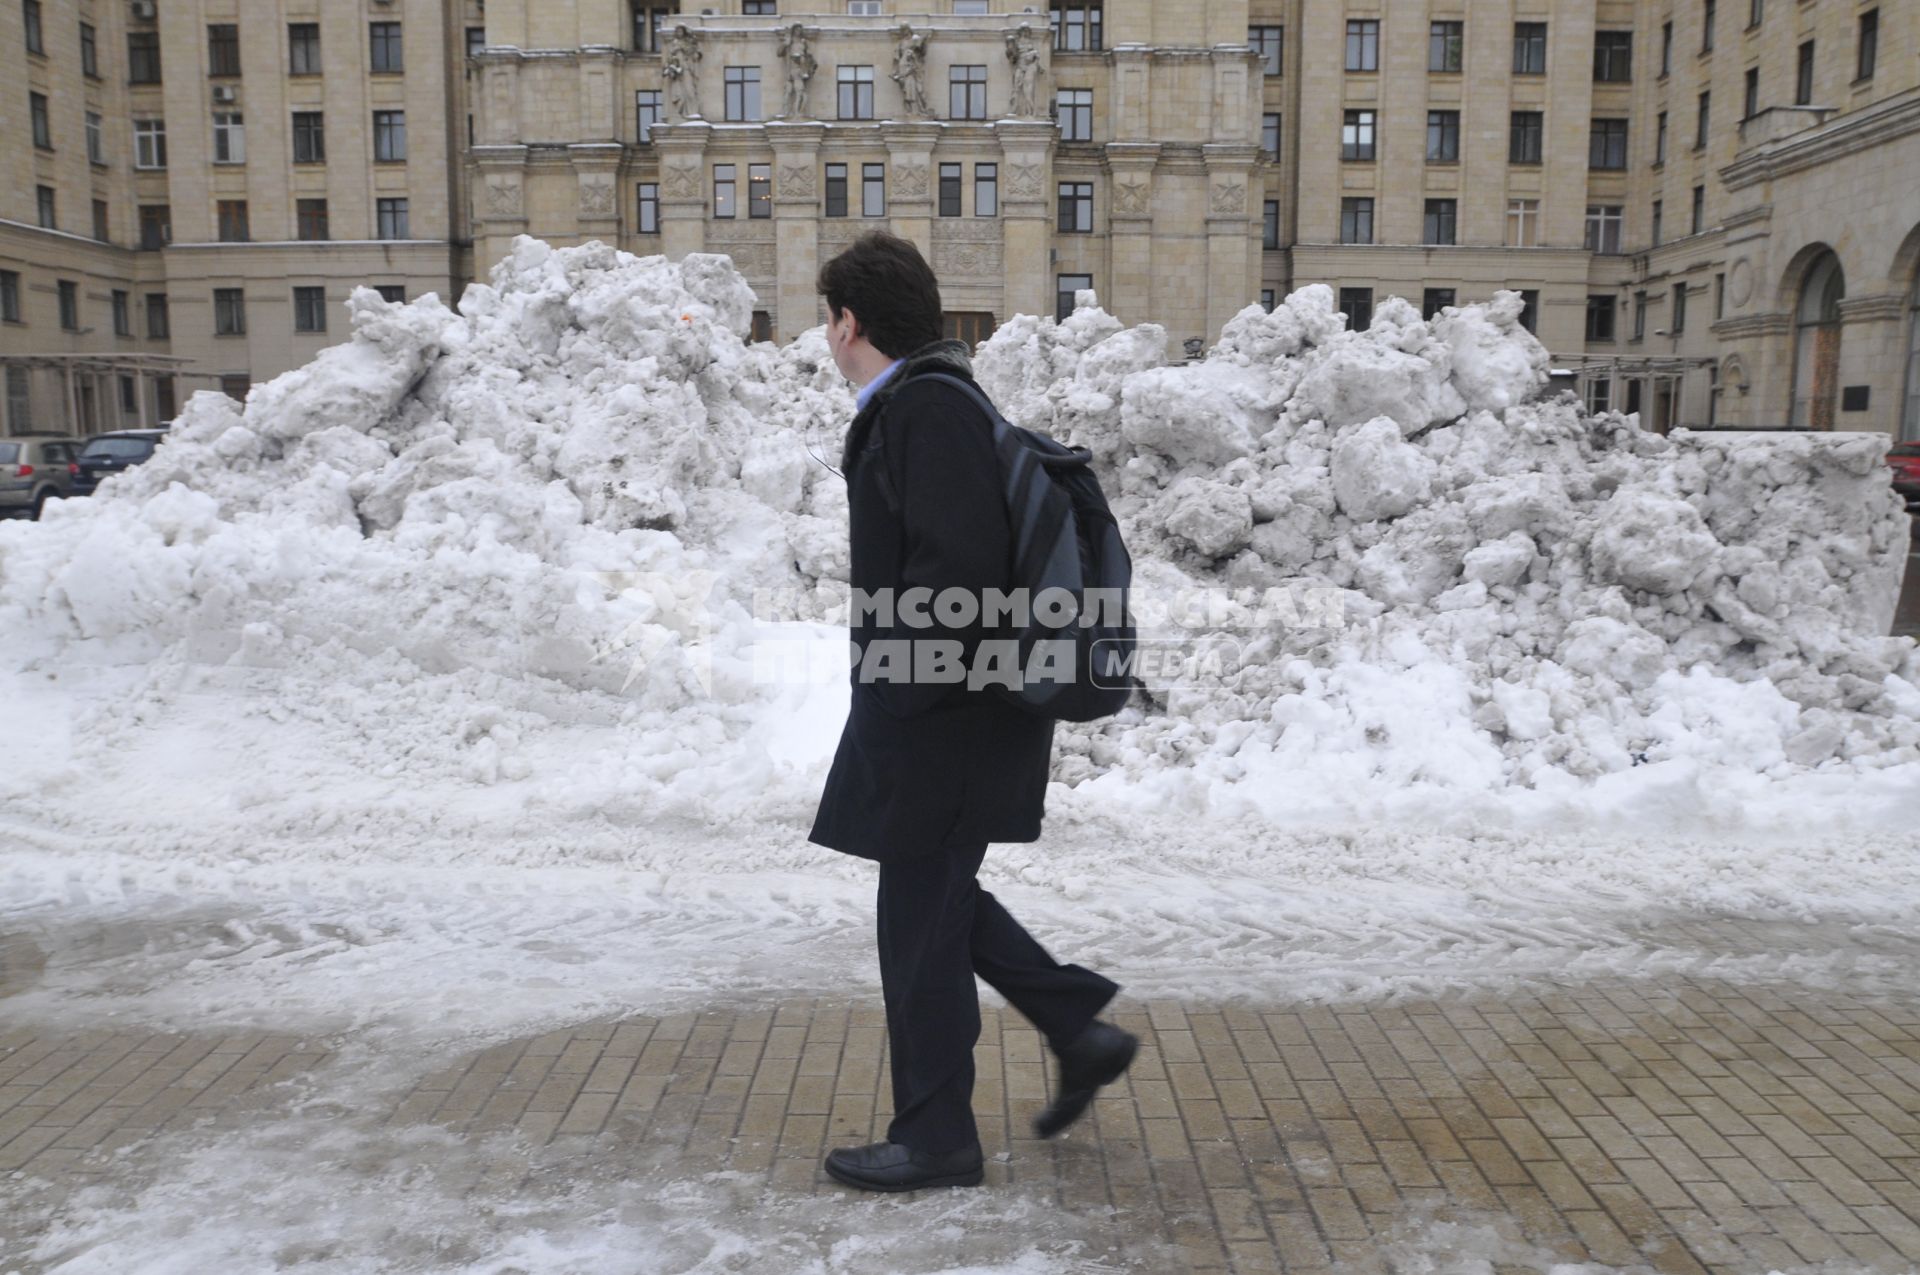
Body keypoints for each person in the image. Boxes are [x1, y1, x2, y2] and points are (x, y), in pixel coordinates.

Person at [808, 231, 1137, 1193]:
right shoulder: (928, 404)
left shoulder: (926, 410)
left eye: (829, 320)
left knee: (918, 926)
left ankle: (938, 1136)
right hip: (945, 711)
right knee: (935, 905)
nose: (828, 339)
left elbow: (957, 573)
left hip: (944, 717)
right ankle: (1079, 1029)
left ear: (850, 321)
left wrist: (905, 701)